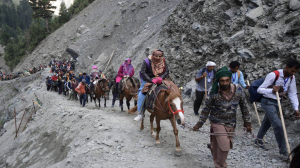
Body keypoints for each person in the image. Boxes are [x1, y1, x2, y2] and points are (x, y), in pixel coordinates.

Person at [193, 66, 252, 168]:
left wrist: (247, 122)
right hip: (217, 122)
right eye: (222, 81)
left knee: (223, 143)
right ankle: (221, 165)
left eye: (227, 80)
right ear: (218, 81)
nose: (225, 83)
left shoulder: (238, 89)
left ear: (230, 79)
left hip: (231, 123)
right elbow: (206, 108)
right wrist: (200, 123)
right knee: (225, 146)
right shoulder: (214, 91)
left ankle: (213, 148)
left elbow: (244, 106)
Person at [255, 59, 300, 159]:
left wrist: (296, 108)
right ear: (286, 67)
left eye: (295, 72)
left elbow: (292, 93)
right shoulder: (274, 75)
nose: (293, 73)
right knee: (278, 125)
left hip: (277, 102)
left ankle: (258, 139)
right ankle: (284, 151)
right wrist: (272, 90)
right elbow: (260, 89)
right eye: (292, 71)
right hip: (267, 101)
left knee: (267, 122)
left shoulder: (291, 77)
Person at [134, 49, 169, 121]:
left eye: (160, 56)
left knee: (171, 89)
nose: (158, 58)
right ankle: (140, 113)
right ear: (153, 55)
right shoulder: (146, 61)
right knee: (142, 94)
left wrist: (161, 78)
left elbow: (166, 71)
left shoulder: (164, 61)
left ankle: (174, 109)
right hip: (148, 79)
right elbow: (143, 72)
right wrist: (151, 80)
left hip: (161, 78)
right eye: (156, 56)